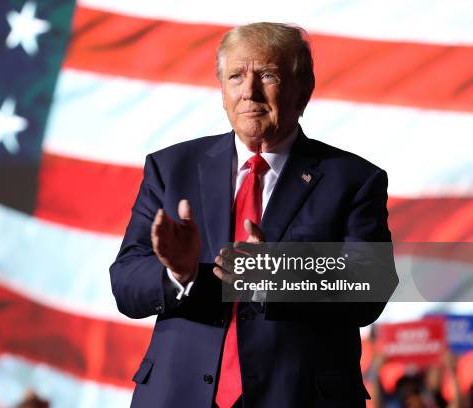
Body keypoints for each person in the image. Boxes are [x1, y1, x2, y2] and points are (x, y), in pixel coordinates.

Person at [110, 22, 398, 407]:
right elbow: (126, 281)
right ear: (222, 92)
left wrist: (276, 275)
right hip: (179, 395)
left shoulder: (354, 180)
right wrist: (177, 275)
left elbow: (370, 289)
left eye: (267, 75)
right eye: (235, 77)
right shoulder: (170, 168)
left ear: (303, 92)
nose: (249, 92)